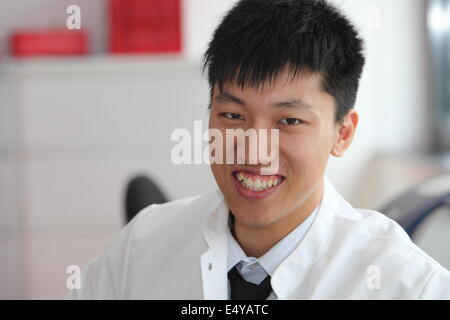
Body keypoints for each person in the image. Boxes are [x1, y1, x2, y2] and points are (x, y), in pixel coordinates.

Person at [69, 0, 450, 299]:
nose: (254, 151)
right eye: (233, 115)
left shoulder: (407, 286)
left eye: (289, 121)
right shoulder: (139, 250)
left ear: (343, 133)